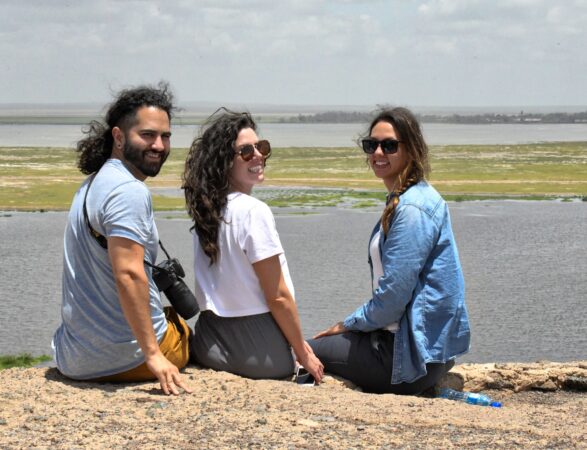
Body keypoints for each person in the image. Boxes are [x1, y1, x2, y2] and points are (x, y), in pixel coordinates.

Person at [309, 107, 470, 394]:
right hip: (426, 355)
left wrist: (349, 324)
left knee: (307, 349)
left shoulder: (411, 209)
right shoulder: (411, 197)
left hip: (404, 362)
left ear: (412, 149)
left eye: (389, 145)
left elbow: (393, 298)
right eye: (371, 145)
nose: (378, 153)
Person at [52, 82, 192, 396]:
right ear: (118, 137)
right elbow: (128, 273)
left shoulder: (91, 185)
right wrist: (154, 356)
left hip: (74, 358)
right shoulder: (129, 191)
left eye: (165, 136)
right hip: (123, 359)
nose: (159, 145)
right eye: (147, 135)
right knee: (190, 334)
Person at [183, 109, 324, 383]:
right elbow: (278, 296)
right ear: (224, 161)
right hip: (259, 352)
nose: (258, 155)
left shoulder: (206, 213)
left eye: (261, 147)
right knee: (326, 350)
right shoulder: (253, 211)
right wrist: (301, 351)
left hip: (209, 342)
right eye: (246, 151)